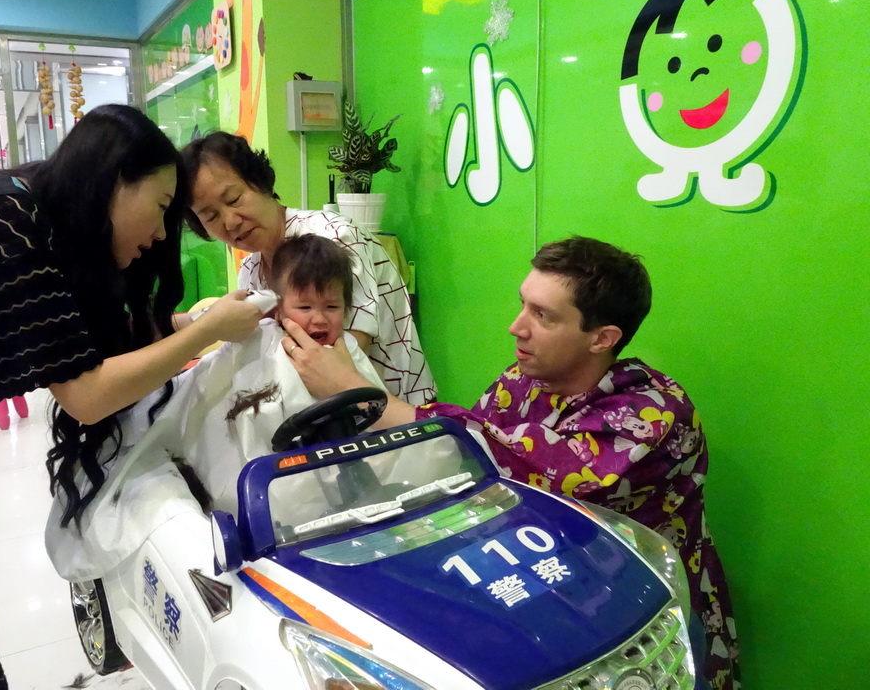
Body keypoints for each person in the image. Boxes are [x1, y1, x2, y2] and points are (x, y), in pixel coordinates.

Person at [0, 104, 261, 690]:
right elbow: (86, 395)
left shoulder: (24, 206)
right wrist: (206, 332)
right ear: (115, 180)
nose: (164, 233)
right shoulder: (13, 224)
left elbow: (86, 354)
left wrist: (185, 325)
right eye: (165, 208)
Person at [282, 236, 740, 690]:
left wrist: (363, 396)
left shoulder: (653, 415)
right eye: (524, 305)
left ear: (602, 338)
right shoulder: (524, 380)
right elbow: (469, 466)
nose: (517, 328)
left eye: (542, 316)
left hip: (639, 606)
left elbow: (528, 468)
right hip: (541, 585)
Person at [46, 233, 384, 579]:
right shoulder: (257, 340)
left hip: (332, 480)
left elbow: (374, 410)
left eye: (332, 307)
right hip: (258, 473)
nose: (319, 320)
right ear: (279, 305)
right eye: (305, 307)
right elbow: (207, 387)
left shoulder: (346, 351)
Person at [181, 130, 436, 405]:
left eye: (234, 199)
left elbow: (345, 356)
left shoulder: (333, 238)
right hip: (319, 418)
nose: (230, 222)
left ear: (260, 182)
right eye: (210, 216)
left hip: (395, 417)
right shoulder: (251, 270)